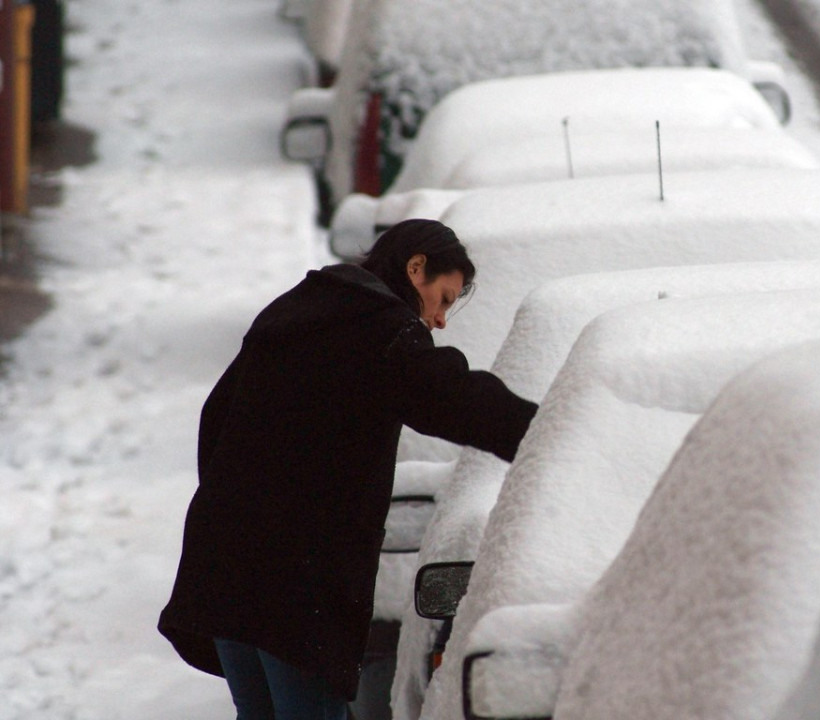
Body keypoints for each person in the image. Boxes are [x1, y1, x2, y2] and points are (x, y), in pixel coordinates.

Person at [158, 219, 538, 720]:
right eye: (443, 299)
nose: (441, 320)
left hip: (227, 569)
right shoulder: (379, 328)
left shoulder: (295, 309)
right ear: (416, 267)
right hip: (297, 590)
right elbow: (449, 397)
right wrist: (545, 432)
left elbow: (217, 419)